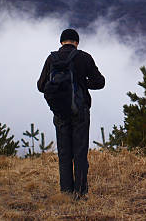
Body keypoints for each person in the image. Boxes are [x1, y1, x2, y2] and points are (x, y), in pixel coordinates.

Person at [37, 28, 105, 199]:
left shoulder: (52, 58)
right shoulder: (84, 57)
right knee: (80, 152)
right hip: (80, 111)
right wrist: (82, 83)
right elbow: (100, 82)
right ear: (77, 42)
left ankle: (66, 193)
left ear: (61, 42)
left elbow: (40, 85)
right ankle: (80, 193)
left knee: (64, 153)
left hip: (59, 112)